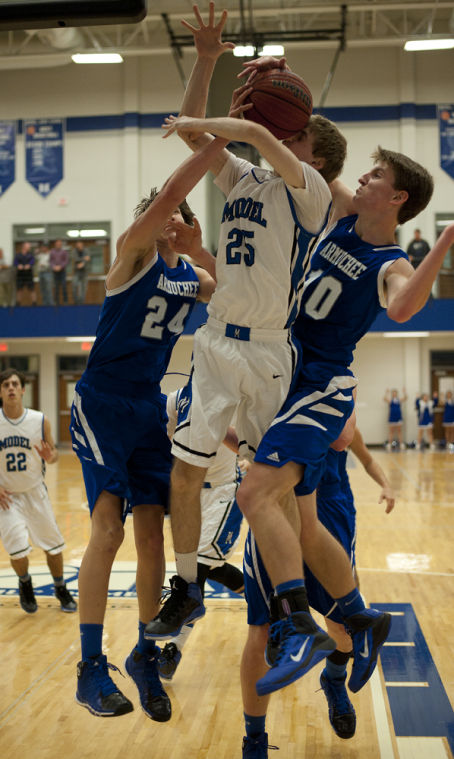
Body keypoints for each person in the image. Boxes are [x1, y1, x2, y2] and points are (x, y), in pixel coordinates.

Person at [145, 3, 347, 648]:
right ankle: (186, 588)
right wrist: (207, 60)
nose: (285, 140)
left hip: (268, 352)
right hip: (214, 340)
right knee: (186, 469)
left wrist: (206, 121)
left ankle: (290, 608)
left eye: (295, 137)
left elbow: (244, 136)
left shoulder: (309, 191)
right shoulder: (247, 180)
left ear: (309, 151)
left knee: (266, 485)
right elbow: (204, 146)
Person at [234, 136, 453, 698]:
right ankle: (358, 617)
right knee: (301, 522)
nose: (363, 178)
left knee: (255, 494)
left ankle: (301, 625)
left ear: (397, 197)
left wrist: (448, 237)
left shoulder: (393, 262)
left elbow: (403, 307)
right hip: (283, 369)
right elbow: (308, 162)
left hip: (321, 386)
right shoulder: (342, 212)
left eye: (375, 175)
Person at [69, 135, 224, 720]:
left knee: (153, 535)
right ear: (152, 218)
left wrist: (203, 248)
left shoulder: (191, 276)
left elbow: (223, 288)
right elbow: (175, 192)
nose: (174, 220)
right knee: (108, 531)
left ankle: (143, 652)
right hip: (103, 402)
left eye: (180, 217)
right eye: (167, 212)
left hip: (148, 407)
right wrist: (217, 142)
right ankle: (89, 668)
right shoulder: (131, 255)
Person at [241, 427, 395, 756]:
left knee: (342, 629)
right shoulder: (263, 387)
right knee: (261, 630)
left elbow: (353, 447)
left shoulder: (332, 389)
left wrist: (385, 482)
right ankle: (254, 739)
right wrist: (245, 452)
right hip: (276, 503)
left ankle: (334, 680)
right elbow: (232, 429)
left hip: (329, 509)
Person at [158, 386, 244, 680]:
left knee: (196, 571)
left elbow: (248, 439)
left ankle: (174, 648)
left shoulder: (234, 393)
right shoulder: (176, 399)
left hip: (224, 490)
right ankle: (271, 604)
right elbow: (168, 440)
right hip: (190, 494)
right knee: (211, 567)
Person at [0, 368, 77, 615]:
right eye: (5, 385)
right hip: (7, 497)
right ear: (1, 391)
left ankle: (60, 587)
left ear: (23, 390)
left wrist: (50, 455)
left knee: (54, 546)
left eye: (14, 384)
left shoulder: (40, 420)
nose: (10, 388)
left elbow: (53, 455)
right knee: (18, 548)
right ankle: (25, 583)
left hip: (35, 492)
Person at [13, 241, 36, 306]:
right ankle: (18, 303)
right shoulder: (18, 255)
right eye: (28, 246)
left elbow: (33, 261)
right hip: (20, 274)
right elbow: (15, 262)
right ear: (24, 246)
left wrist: (29, 265)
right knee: (19, 289)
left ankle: (34, 302)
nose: (29, 247)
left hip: (28, 274)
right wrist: (18, 265)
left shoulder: (30, 254)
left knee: (31, 288)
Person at [49, 239, 69, 305]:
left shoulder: (64, 252)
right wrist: (54, 267)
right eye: (57, 244)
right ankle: (56, 302)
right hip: (54, 271)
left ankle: (65, 301)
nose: (58, 245)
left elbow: (66, 261)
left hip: (62, 271)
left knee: (64, 285)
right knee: (56, 286)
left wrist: (60, 266)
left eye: (59, 244)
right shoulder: (52, 252)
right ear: (55, 244)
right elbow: (50, 261)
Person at [72, 240, 91, 304]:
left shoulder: (86, 250)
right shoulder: (74, 251)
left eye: (80, 245)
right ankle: (76, 302)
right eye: (78, 246)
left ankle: (82, 303)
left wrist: (83, 263)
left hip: (85, 272)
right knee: (74, 286)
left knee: (84, 288)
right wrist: (84, 259)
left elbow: (88, 258)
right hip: (76, 272)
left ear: (82, 245)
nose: (79, 247)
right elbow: (76, 259)